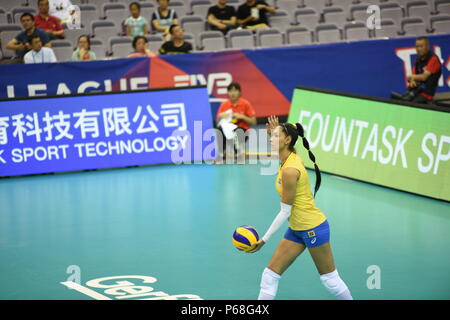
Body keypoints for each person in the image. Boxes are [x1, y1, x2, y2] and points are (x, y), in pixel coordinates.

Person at [248, 116, 353, 301]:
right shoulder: (287, 157)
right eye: (271, 136)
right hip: (297, 228)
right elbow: (279, 144)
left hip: (313, 228)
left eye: (275, 136)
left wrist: (263, 240)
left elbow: (285, 212)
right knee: (269, 276)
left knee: (330, 280)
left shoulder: (290, 170)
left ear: (287, 140)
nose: (270, 139)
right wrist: (274, 132)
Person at [215, 82, 256, 160]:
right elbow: (217, 123)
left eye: (235, 91)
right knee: (219, 130)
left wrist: (242, 116)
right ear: (228, 93)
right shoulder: (224, 105)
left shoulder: (245, 104)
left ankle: (238, 151)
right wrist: (220, 116)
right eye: (230, 91)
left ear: (239, 92)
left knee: (238, 131)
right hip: (227, 131)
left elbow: (254, 122)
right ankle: (221, 154)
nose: (232, 93)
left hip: (242, 131)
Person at [406, 37, 442, 104]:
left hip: (427, 94)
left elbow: (424, 77)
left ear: (427, 46)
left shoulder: (433, 59)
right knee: (401, 100)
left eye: (421, 46)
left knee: (411, 105)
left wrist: (411, 77)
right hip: (417, 91)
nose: (419, 49)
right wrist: (412, 81)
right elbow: (414, 75)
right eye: (417, 46)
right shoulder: (418, 60)